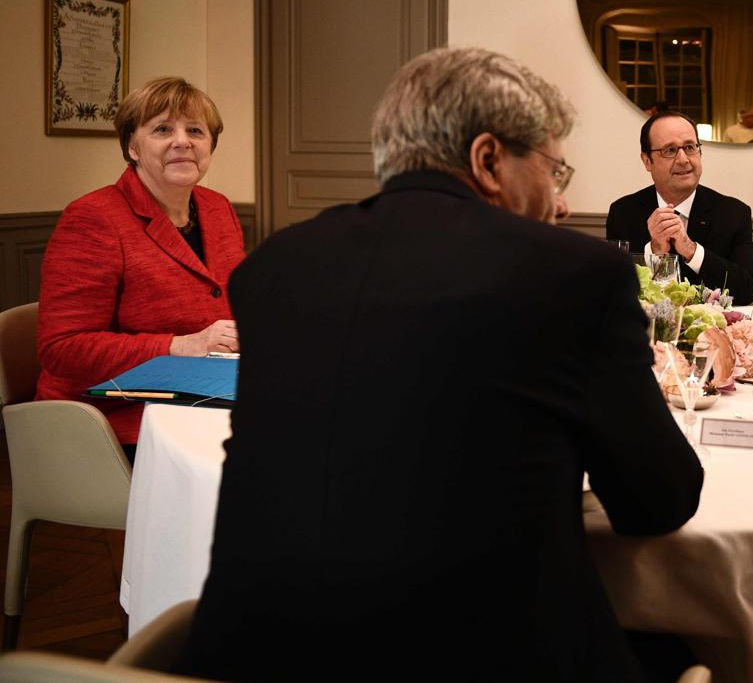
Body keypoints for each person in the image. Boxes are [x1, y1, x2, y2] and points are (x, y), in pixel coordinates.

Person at [177, 48, 703, 681]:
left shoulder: (276, 267)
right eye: (553, 173)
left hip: (248, 656)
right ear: (488, 160)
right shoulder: (572, 275)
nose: (558, 203)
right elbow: (659, 501)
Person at [36, 77, 245, 451]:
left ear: (210, 144)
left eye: (195, 130)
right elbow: (63, 348)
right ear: (132, 146)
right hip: (115, 418)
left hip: (206, 398)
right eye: (163, 129)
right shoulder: (93, 218)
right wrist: (181, 345)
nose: (182, 140)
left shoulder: (217, 208)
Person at [606, 111, 753, 306]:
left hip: (713, 333)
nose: (683, 159)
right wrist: (655, 252)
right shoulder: (623, 213)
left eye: (689, 147)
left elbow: (748, 291)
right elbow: (615, 290)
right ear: (647, 161)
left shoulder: (733, 212)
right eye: (669, 150)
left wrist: (691, 250)